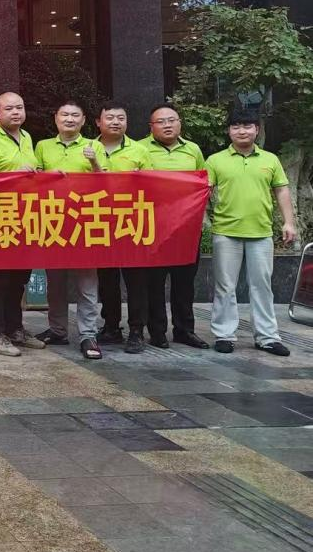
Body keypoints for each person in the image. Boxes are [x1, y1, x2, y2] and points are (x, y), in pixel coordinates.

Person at [206, 109, 295, 357]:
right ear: (229, 131)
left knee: (262, 286)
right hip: (226, 231)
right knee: (225, 286)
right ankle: (224, 335)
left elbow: (282, 191)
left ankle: (267, 337)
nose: (241, 131)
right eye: (236, 126)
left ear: (257, 130)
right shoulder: (214, 160)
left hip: (261, 232)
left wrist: (289, 222)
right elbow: (203, 191)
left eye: (247, 126)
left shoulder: (270, 159)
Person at [119, 105, 209, 349]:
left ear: (180, 123)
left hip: (186, 228)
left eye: (171, 120)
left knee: (184, 282)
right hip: (153, 227)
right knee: (154, 283)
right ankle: (157, 331)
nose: (167, 125)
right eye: (160, 122)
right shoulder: (139, 149)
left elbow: (202, 182)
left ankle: (184, 330)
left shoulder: (193, 150)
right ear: (151, 127)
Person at [35, 99, 104, 359]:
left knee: (87, 283)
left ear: (83, 121)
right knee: (55, 283)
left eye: (75, 115)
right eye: (65, 115)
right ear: (56, 118)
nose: (70, 119)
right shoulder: (42, 146)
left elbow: (107, 183)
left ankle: (88, 334)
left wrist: (94, 163)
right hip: (53, 221)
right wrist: (47, 176)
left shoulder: (94, 145)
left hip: (85, 223)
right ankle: (58, 330)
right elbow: (33, 180)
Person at [0, 92, 45, 353]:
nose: (15, 112)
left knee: (19, 277)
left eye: (19, 107)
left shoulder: (27, 137)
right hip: (0, 217)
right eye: (9, 109)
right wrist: (15, 176)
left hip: (26, 216)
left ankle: (15, 327)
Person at [93, 102, 152, 353]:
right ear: (99, 122)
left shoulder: (139, 150)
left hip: (131, 222)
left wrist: (141, 179)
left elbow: (153, 186)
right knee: (106, 279)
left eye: (121, 118)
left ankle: (137, 330)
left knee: (136, 279)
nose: (115, 122)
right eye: (110, 118)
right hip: (99, 221)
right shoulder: (88, 148)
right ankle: (111, 326)